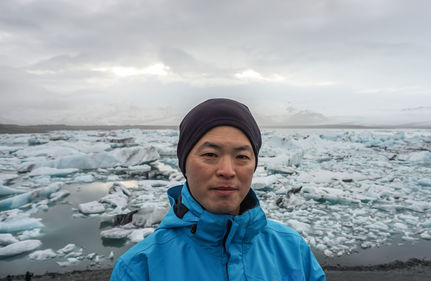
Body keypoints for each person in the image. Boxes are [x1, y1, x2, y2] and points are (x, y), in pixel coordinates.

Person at [110, 98, 325, 280]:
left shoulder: (292, 250)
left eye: (241, 157)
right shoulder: (139, 269)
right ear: (184, 164)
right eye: (210, 155)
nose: (227, 171)